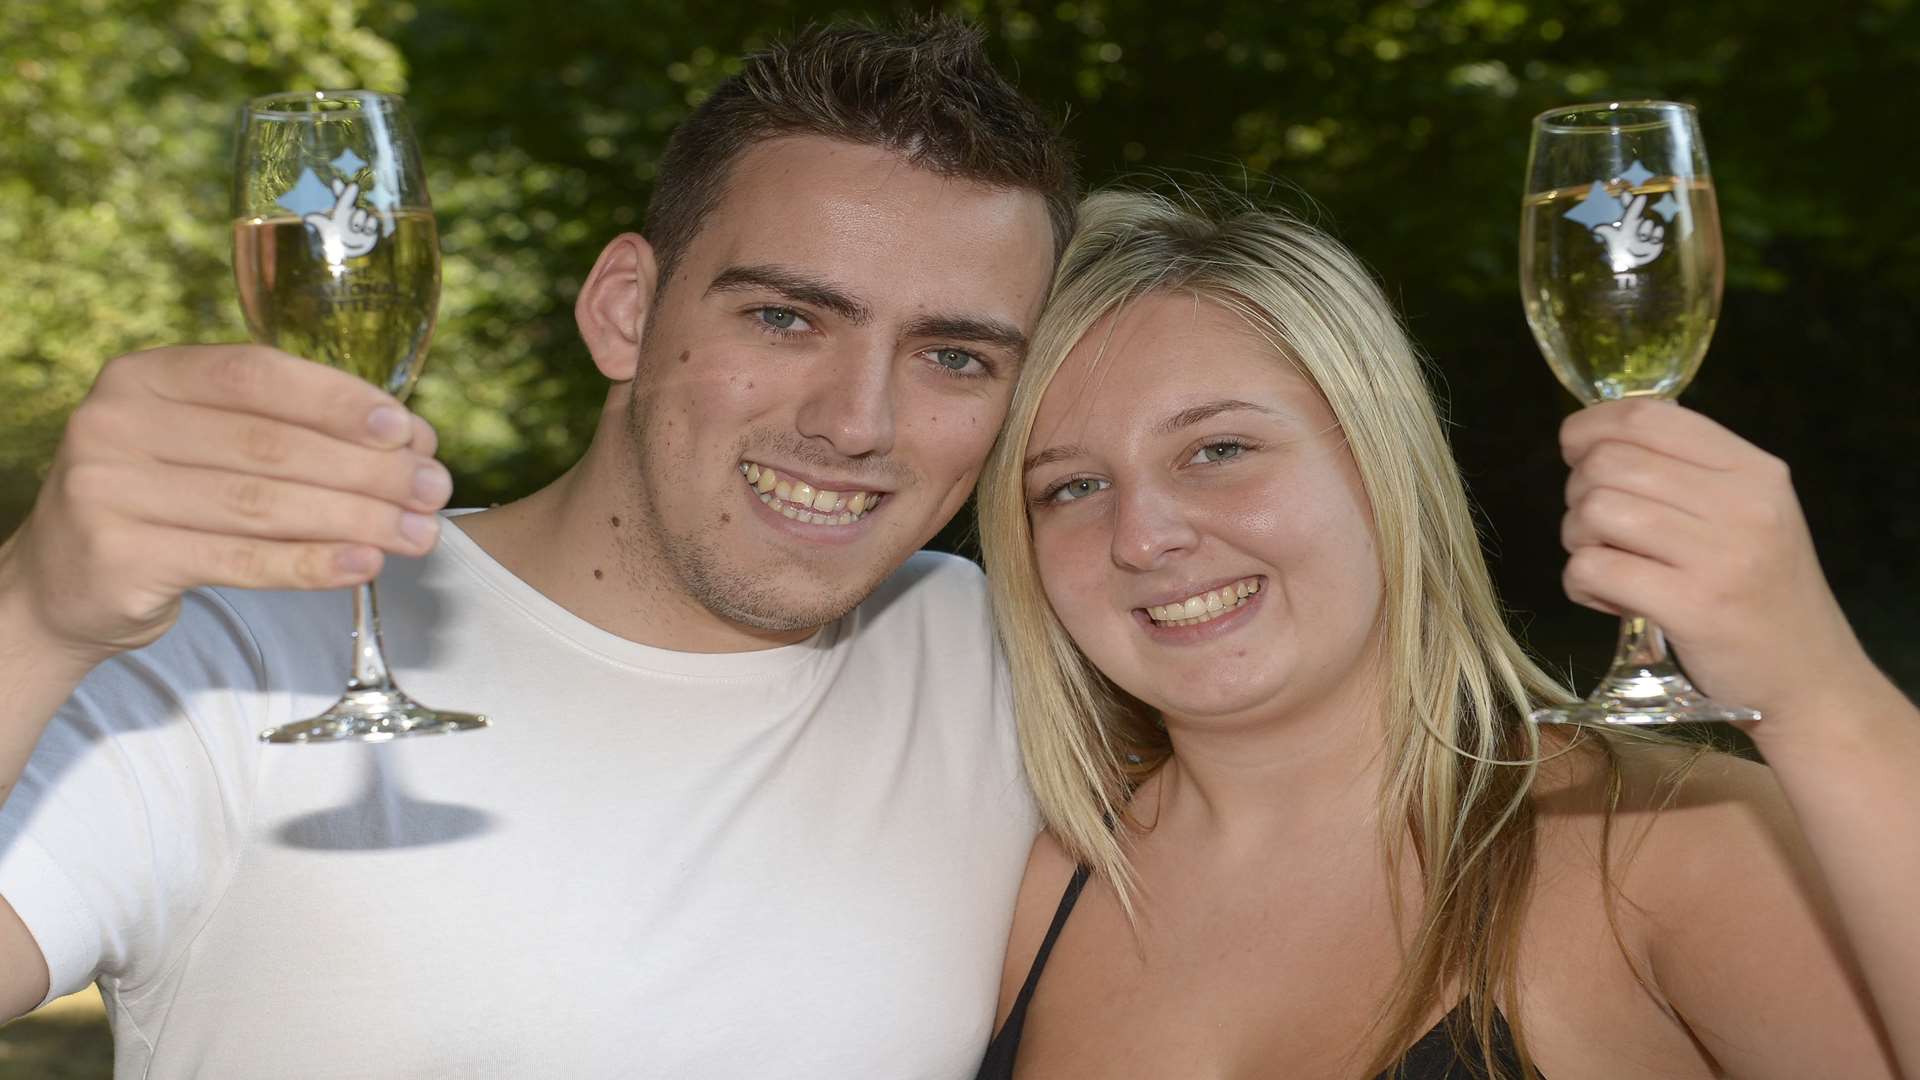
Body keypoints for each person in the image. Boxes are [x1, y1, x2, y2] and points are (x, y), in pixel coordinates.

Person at [0, 18, 1075, 1078]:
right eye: (787, 319)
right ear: (625, 311)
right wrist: (33, 619)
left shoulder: (998, 658)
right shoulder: (237, 652)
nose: (858, 421)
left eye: (953, 356)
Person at [971, 191, 1920, 1078]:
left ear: (1385, 461)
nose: (1143, 536)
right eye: (1072, 487)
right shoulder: (1035, 886)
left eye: (1220, 449)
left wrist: (1822, 700)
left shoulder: (1659, 848)